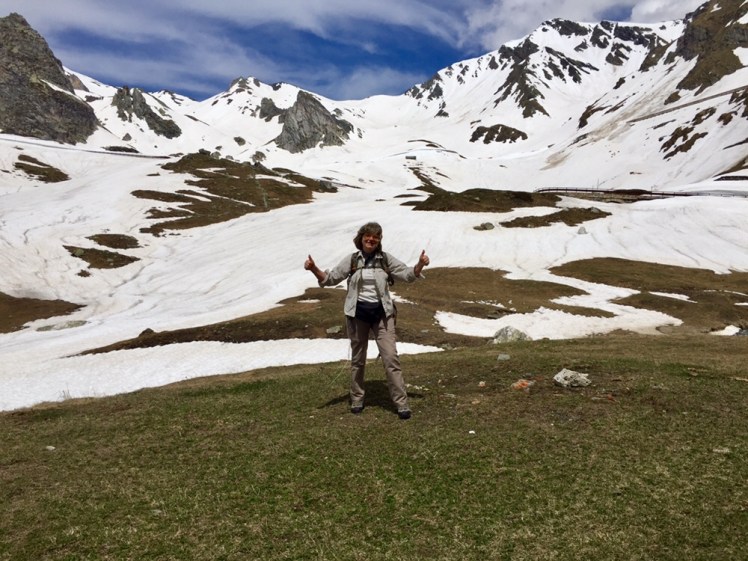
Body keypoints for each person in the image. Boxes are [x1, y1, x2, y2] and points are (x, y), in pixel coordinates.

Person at [304, 222, 430, 419]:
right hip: (357, 316)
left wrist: (420, 264)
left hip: (382, 316)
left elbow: (407, 274)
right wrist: (313, 268)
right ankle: (357, 399)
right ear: (361, 238)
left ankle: (401, 403)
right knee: (358, 359)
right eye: (368, 236)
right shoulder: (352, 260)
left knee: (391, 358)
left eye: (375, 237)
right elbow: (331, 278)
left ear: (379, 240)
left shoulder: (385, 259)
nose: (371, 239)